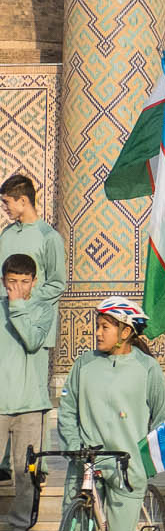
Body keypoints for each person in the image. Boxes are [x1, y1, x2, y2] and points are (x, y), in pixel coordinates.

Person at [56, 298, 165, 531]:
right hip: (85, 464)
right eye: (98, 325)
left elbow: (162, 421)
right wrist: (74, 444)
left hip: (125, 467)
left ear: (126, 331)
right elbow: (67, 410)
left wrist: (144, 463)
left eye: (105, 326)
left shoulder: (147, 369)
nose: (98, 332)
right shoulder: (84, 364)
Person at [0, 173, 63, 500]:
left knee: (33, 395)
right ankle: (5, 462)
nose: (6, 207)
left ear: (22, 200)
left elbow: (56, 283)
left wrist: (25, 303)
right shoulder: (7, 235)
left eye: (7, 202)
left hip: (35, 324)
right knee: (6, 390)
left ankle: (38, 463)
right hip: (5, 325)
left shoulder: (48, 237)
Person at [2, 253, 54, 531]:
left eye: (24, 282)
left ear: (34, 282)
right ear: (3, 281)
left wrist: (18, 307)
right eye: (12, 282)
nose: (18, 288)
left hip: (30, 406)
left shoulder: (42, 310)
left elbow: (33, 341)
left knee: (26, 472)